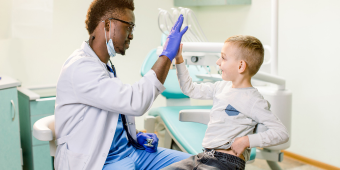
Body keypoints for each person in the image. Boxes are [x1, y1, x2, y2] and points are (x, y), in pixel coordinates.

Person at [54, 0, 191, 169]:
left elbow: (111, 115)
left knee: (196, 164)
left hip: (130, 151)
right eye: (129, 26)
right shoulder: (80, 67)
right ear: (107, 24)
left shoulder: (104, 65)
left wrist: (134, 135)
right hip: (102, 161)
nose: (132, 35)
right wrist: (167, 55)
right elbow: (135, 102)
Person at [162, 35, 290, 170]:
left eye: (223, 58)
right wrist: (179, 59)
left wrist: (247, 141)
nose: (218, 62)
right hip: (203, 157)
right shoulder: (221, 87)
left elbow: (282, 133)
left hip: (226, 163)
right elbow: (190, 89)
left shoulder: (253, 100)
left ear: (241, 66)